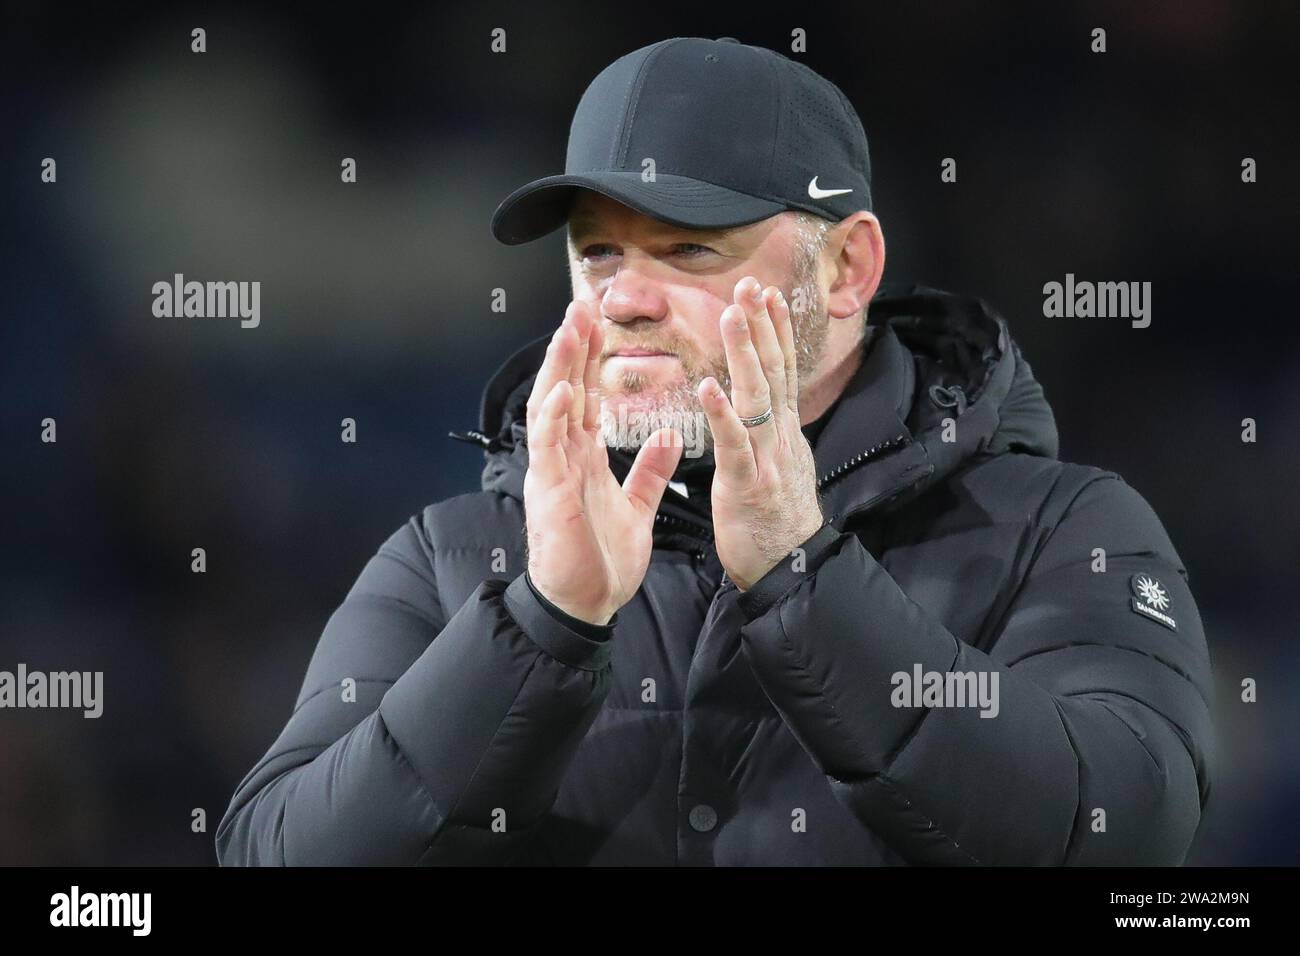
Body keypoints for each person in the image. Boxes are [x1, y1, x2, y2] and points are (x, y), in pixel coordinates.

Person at [216, 36, 1213, 866]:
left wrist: (801, 578)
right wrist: (542, 626)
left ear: (845, 267)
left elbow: (1126, 835)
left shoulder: (1057, 527)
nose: (626, 296)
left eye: (689, 247)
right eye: (598, 250)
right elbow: (271, 850)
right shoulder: (455, 552)